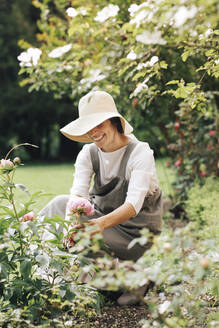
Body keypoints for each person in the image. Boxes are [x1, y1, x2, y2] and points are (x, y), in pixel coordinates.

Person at [39, 90, 162, 305]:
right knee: (59, 204)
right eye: (88, 126)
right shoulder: (88, 153)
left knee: (85, 240)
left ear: (114, 121)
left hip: (136, 233)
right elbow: (77, 194)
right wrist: (71, 226)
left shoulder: (140, 152)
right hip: (103, 226)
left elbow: (133, 205)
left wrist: (97, 225)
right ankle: (134, 279)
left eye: (98, 123)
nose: (93, 132)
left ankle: (132, 277)